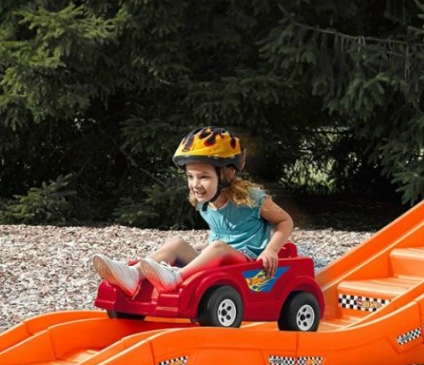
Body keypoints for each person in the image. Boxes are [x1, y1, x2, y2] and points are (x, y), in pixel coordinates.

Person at [92, 126, 295, 298]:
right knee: (177, 243)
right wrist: (197, 249)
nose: (195, 184)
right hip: (221, 259)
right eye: (191, 176)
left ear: (227, 173)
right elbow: (223, 236)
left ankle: (176, 278)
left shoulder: (252, 198)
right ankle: (133, 275)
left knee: (218, 247)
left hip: (248, 265)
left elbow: (285, 221)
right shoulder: (206, 203)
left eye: (204, 177)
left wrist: (271, 250)